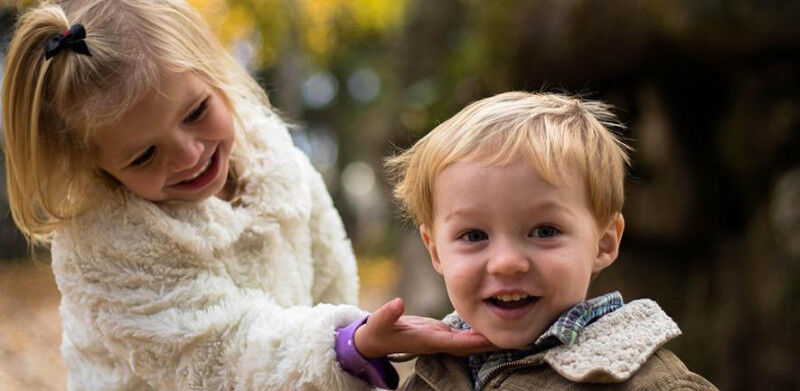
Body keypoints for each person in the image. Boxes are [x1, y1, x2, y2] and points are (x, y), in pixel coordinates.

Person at [1, 1, 492, 389]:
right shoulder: (106, 248)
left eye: (195, 112)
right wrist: (345, 348)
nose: (189, 155)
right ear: (97, 167)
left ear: (216, 75)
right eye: (144, 156)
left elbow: (328, 275)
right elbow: (219, 356)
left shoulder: (271, 159)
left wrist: (353, 350)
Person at [385, 92, 718, 390]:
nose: (506, 262)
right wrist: (350, 353)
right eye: (474, 236)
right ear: (436, 251)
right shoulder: (432, 371)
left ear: (603, 243)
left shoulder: (647, 383)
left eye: (544, 231)